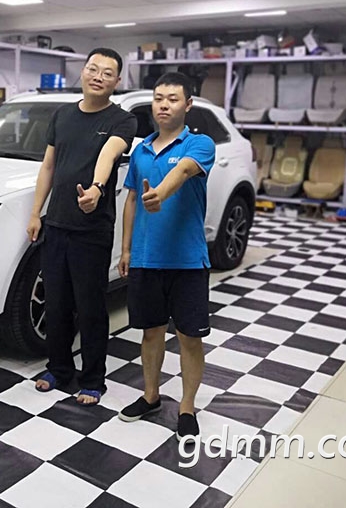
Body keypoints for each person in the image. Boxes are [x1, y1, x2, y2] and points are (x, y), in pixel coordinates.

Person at [28, 48, 137, 406]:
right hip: (56, 224)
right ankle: (58, 369)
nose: (98, 76)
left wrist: (97, 188)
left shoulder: (123, 120)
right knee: (56, 305)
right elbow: (48, 166)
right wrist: (35, 213)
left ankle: (92, 379)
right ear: (83, 72)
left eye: (107, 73)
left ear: (116, 81)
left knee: (90, 308)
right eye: (93, 69)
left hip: (92, 230)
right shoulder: (62, 115)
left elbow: (109, 153)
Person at [116, 71, 215, 441]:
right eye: (158, 98)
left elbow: (186, 170)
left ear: (187, 105)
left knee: (189, 337)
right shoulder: (141, 149)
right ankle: (151, 396)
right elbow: (131, 200)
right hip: (146, 259)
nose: (164, 105)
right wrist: (127, 249)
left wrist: (160, 192)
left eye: (173, 99)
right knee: (150, 333)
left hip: (188, 261)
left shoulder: (200, 144)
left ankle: (187, 407)